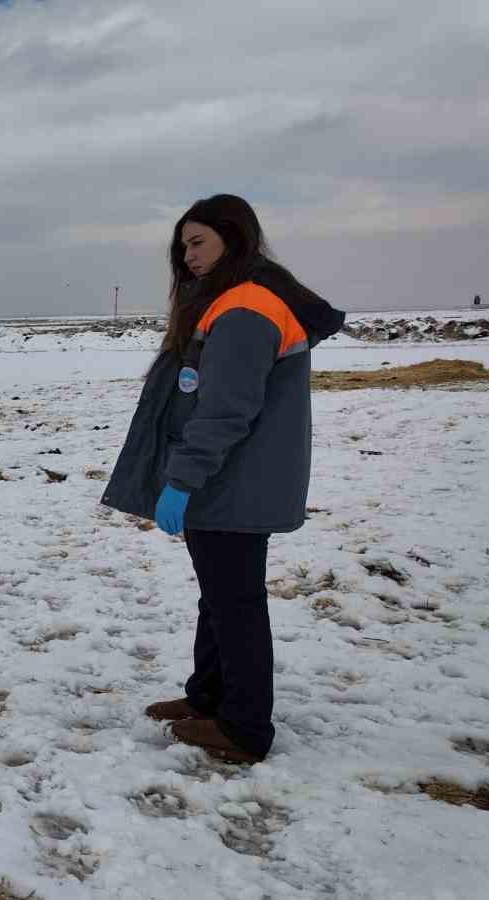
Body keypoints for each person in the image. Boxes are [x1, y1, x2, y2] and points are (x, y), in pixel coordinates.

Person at [101, 194, 345, 764]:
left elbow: (224, 412)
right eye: (182, 245)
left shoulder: (245, 308)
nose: (187, 256)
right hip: (231, 481)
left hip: (234, 482)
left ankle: (244, 728)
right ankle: (208, 696)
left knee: (235, 603)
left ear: (234, 239)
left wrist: (182, 480)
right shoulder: (235, 300)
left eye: (198, 242)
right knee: (219, 597)